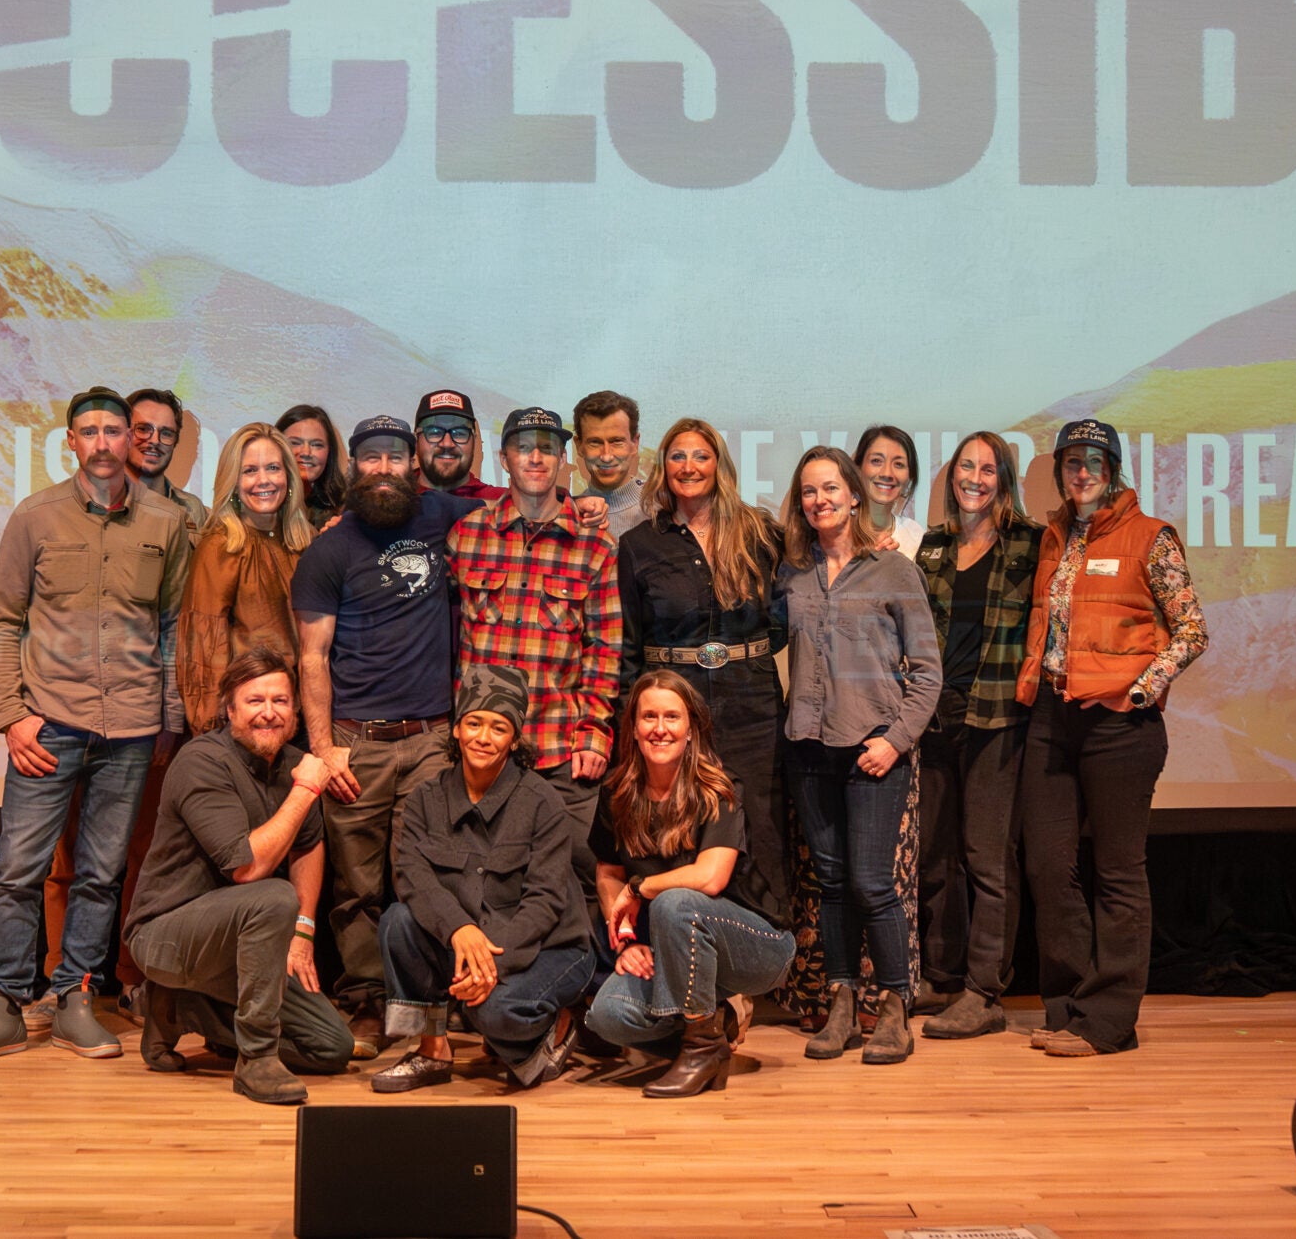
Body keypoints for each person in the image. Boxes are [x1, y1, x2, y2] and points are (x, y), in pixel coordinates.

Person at [0, 386, 193, 1065]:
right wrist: (11, 716)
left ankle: (76, 999)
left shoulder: (167, 523)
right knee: (17, 872)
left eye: (115, 430)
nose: (104, 442)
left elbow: (172, 627)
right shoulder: (35, 518)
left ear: (130, 439)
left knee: (101, 874)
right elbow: (2, 622)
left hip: (133, 729)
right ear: (71, 442)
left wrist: (169, 718)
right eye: (91, 431)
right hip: (48, 725)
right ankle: (2, 1006)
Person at [290, 413, 485, 1055]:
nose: (382, 469)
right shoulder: (328, 550)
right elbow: (312, 657)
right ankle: (368, 1002)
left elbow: (515, 507)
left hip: (431, 740)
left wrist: (583, 504)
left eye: (394, 457)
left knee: (427, 874)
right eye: (370, 457)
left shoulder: (440, 516)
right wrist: (324, 749)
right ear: (353, 466)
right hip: (356, 744)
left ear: (413, 464)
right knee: (356, 887)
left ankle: (427, 1003)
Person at [1018, 418, 1208, 1058]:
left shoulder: (1150, 537)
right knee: (1049, 866)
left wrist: (1141, 689)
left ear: (1114, 469)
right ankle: (1069, 1007)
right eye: (1072, 461)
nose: (1082, 472)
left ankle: (1108, 1022)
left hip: (1119, 726)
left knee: (1118, 871)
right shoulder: (1053, 538)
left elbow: (1192, 630)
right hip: (1052, 717)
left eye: (1094, 461)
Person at [126, 646, 355, 1104]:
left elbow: (308, 845)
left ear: (295, 711)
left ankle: (179, 1007)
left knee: (331, 1046)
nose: (269, 713)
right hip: (166, 935)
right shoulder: (201, 761)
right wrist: (306, 789)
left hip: (245, 944)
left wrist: (303, 931)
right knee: (272, 896)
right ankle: (256, 1060)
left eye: (280, 701)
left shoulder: (292, 763)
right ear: (230, 710)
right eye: (255, 701)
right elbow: (247, 867)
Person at [775, 445, 940, 1066]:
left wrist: (895, 740)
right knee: (832, 884)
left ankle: (894, 1006)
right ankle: (840, 1003)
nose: (820, 500)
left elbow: (928, 672)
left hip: (874, 751)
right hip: (808, 749)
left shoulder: (894, 570)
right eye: (808, 491)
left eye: (829, 488)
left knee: (872, 882)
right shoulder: (792, 573)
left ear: (852, 494)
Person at [371, 668, 594, 1092]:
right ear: (457, 729)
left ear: (515, 740)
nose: (483, 738)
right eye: (474, 723)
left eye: (499, 728)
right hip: (470, 942)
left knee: (492, 1014)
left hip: (550, 946)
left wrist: (489, 967)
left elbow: (544, 902)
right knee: (398, 921)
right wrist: (459, 928)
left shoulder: (542, 801)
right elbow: (413, 877)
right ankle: (432, 1050)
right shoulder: (425, 799)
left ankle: (558, 1025)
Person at [615, 417, 794, 928]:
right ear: (662, 467)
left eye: (701, 455)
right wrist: (629, 720)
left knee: (762, 823)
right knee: (682, 823)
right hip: (674, 706)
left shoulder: (760, 532)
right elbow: (630, 643)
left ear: (719, 465)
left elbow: (786, 613)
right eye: (678, 456)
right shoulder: (640, 544)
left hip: (752, 703)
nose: (689, 466)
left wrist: (741, 655)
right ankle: (685, 946)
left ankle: (766, 947)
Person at [585, 669, 795, 1098]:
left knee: (676, 901)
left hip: (757, 946)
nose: (659, 728)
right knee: (608, 1014)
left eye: (672, 717)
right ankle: (713, 1034)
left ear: (691, 728)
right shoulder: (617, 793)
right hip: (674, 947)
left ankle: (699, 1048)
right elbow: (608, 872)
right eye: (649, 717)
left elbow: (710, 877)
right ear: (633, 728)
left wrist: (639, 888)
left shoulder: (719, 787)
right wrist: (625, 940)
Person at [913, 432, 1042, 1039]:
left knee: (987, 859)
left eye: (989, 470)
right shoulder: (933, 547)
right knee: (935, 855)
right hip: (935, 719)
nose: (975, 478)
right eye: (966, 467)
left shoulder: (1029, 543)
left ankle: (984, 992)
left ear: (1004, 480)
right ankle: (941, 977)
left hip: (997, 720)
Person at [448, 407, 622, 857]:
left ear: (563, 459)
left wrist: (593, 733)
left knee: (567, 880)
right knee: (478, 880)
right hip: (479, 753)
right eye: (523, 448)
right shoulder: (466, 536)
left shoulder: (595, 545)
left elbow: (604, 649)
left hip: (560, 751)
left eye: (547, 448)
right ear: (503, 459)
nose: (536, 458)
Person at [178, 423, 314, 735]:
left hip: (300, 716)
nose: (263, 480)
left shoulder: (306, 542)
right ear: (233, 481)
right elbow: (203, 649)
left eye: (273, 468)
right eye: (250, 470)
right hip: (244, 721)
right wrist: (211, 731)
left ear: (289, 476)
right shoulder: (221, 547)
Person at [128, 387, 210, 535]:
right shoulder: (100, 503)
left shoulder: (192, 509)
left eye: (166, 433)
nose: (155, 441)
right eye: (143, 429)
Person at [571, 389, 651, 539]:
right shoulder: (568, 515)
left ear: (635, 443)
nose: (606, 456)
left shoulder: (664, 505)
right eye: (595, 442)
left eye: (616, 441)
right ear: (579, 446)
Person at [416, 388, 506, 502]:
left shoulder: (504, 503)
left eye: (459, 434)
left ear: (474, 442)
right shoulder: (396, 499)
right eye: (435, 433)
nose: (447, 444)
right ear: (416, 441)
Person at [854, 426, 925, 556]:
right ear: (858, 469)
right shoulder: (838, 530)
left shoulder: (914, 534)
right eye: (876, 461)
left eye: (898, 464)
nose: (887, 473)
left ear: (909, 478)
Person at [276, 404, 349, 530]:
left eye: (317, 445)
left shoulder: (343, 511)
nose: (306, 452)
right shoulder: (259, 501)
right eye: (294, 443)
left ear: (329, 453)